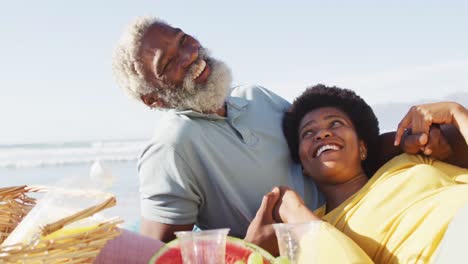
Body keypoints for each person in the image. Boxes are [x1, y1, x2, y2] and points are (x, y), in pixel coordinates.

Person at [111, 16, 455, 244]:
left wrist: (405, 143)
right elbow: (162, 255)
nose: (189, 54)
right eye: (169, 62)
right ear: (152, 99)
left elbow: (327, 151)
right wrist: (251, 250)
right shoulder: (170, 148)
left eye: (184, 39)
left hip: (371, 216)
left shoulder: (255, 97)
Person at [245, 84, 468, 263]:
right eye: (308, 132)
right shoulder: (313, 228)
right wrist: (291, 210)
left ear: (363, 147)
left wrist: (456, 112)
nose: (323, 133)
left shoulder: (410, 160)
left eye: (335, 123)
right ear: (302, 164)